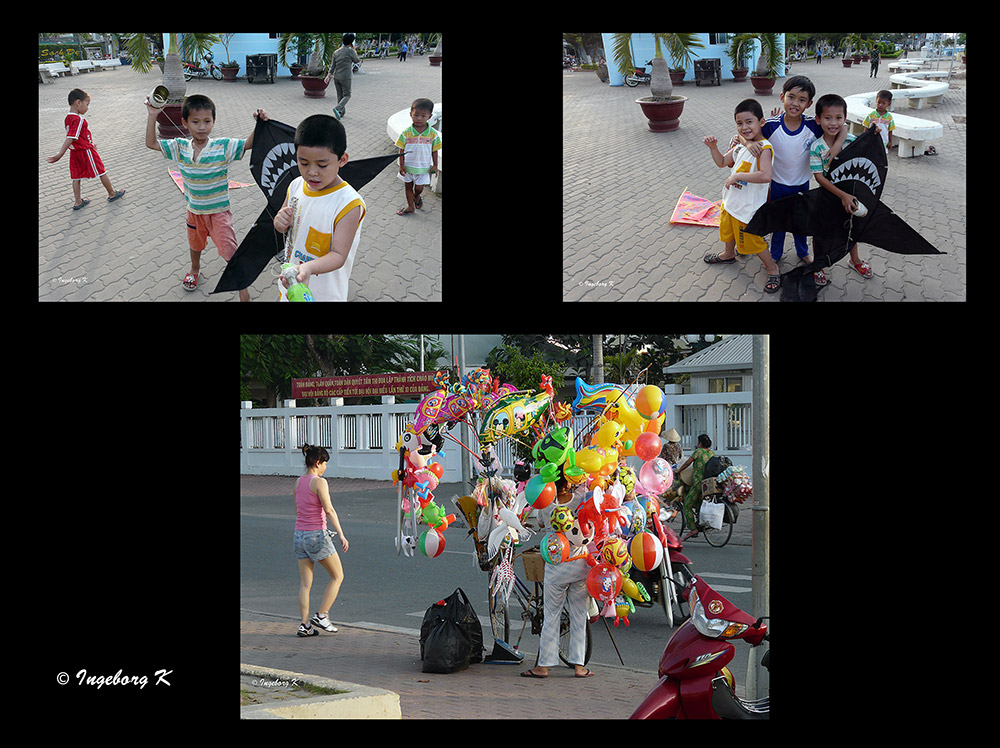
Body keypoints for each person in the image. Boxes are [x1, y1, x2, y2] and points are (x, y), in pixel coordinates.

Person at [145, 93, 265, 300]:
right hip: (194, 212)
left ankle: (242, 286)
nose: (202, 127)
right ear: (185, 123)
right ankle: (194, 270)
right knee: (195, 246)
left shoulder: (223, 146)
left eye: (207, 121)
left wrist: (260, 125)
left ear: (214, 122)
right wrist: (153, 115)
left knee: (230, 251)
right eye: (196, 122)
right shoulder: (179, 147)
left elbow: (247, 144)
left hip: (219, 213)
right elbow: (151, 143)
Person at [274, 114, 366, 301]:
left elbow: (339, 255)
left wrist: (307, 268)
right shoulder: (296, 185)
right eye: (304, 163)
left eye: (322, 165)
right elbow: (282, 225)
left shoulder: (349, 204)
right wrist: (279, 221)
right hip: (291, 284)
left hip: (325, 292)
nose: (312, 172)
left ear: (342, 160)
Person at [702, 99, 782, 294]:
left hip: (748, 208)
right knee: (727, 231)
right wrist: (713, 148)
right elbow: (722, 162)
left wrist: (737, 175)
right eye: (739, 123)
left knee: (754, 241)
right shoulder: (739, 146)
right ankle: (728, 253)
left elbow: (766, 176)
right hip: (730, 201)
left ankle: (772, 268)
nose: (744, 127)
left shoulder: (764, 148)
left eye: (749, 122)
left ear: (761, 122)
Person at [521, 477, 595, 679]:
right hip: (580, 564)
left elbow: (541, 524)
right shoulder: (580, 498)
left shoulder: (545, 505)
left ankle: (543, 666)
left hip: (556, 567)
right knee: (579, 616)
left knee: (551, 615)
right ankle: (579, 666)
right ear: (570, 481)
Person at [810, 93, 872, 279]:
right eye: (827, 118)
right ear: (818, 119)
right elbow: (819, 177)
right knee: (821, 232)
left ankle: (855, 260)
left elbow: (866, 158)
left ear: (845, 119)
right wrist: (841, 195)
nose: (833, 123)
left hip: (851, 195)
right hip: (828, 196)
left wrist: (874, 135)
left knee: (851, 229)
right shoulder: (816, 147)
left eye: (838, 118)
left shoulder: (852, 141)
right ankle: (818, 264)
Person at [293, 443, 350, 637]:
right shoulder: (319, 482)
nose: (325, 467)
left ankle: (304, 625)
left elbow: (298, 510)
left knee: (305, 584)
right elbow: (329, 510)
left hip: (299, 535)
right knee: (337, 576)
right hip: (316, 534)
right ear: (317, 463)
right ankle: (322, 615)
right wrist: (341, 534)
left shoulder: (298, 482)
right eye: (324, 463)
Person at [48, 88, 126, 210]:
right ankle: (112, 193)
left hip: (75, 152)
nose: (87, 108)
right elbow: (71, 137)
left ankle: (78, 202)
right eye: (87, 104)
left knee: (76, 177)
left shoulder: (68, 118)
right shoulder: (78, 119)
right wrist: (59, 154)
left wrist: (90, 143)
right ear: (78, 102)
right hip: (85, 151)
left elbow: (78, 137)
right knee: (101, 170)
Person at [394, 98, 441, 216]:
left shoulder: (433, 134)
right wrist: (402, 165)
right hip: (408, 167)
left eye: (423, 116)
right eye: (416, 115)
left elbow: (434, 150)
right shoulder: (406, 133)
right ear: (411, 115)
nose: (419, 118)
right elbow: (401, 149)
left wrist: (435, 165)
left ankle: (416, 196)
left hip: (423, 168)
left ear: (429, 117)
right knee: (408, 187)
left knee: (419, 188)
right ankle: (410, 207)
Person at [677, 434, 715, 540]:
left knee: (687, 506)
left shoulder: (698, 452)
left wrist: (678, 471)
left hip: (698, 483)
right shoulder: (711, 453)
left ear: (700, 443)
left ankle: (693, 529)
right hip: (707, 485)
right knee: (698, 503)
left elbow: (686, 464)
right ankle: (700, 522)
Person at [324, 33, 361, 120]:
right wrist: (354, 50)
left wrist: (328, 76)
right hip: (346, 77)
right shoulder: (350, 51)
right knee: (347, 95)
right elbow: (357, 60)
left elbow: (332, 66)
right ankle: (338, 108)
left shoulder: (336, 52)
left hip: (336, 77)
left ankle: (340, 113)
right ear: (351, 42)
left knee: (340, 96)